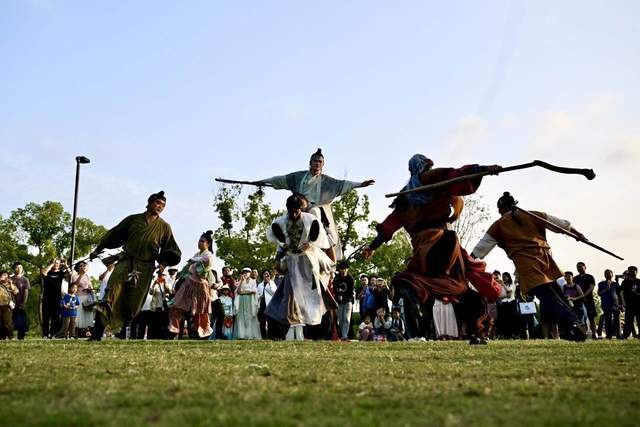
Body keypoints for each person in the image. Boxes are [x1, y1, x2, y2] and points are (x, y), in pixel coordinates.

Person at [364, 155, 502, 343]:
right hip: (440, 242)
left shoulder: (405, 197)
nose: (430, 169)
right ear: (424, 167)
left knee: (421, 285)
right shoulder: (427, 180)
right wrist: (482, 169)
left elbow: (389, 226)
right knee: (458, 287)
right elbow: (455, 174)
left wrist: (373, 246)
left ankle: (472, 332)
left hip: (428, 248)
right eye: (428, 166)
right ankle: (469, 331)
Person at [471, 192, 587, 341]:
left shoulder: (499, 225)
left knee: (548, 297)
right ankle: (570, 328)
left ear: (501, 208)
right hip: (545, 260)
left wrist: (467, 260)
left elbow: (481, 247)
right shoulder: (533, 215)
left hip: (526, 264)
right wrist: (578, 234)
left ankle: (574, 324)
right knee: (557, 294)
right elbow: (561, 224)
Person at [89, 191, 182, 341]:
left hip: (145, 267)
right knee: (111, 292)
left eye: (163, 205)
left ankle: (123, 333)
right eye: (158, 203)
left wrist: (163, 264)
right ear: (150, 203)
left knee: (134, 302)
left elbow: (171, 248)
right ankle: (97, 334)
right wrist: (98, 250)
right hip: (126, 261)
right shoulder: (133, 220)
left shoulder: (164, 227)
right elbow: (114, 234)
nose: (160, 207)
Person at [257, 148, 375, 260]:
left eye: (320, 162)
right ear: (310, 163)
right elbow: (280, 179)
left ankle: (313, 241)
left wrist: (360, 184)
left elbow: (343, 184)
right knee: (284, 218)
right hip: (298, 208)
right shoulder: (298, 177)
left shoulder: (327, 181)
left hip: (317, 208)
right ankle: (281, 249)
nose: (317, 163)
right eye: (315, 161)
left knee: (314, 213)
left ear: (323, 165)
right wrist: (263, 181)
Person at [266, 194, 338, 331]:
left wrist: (310, 243)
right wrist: (280, 252)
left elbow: (320, 237)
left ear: (300, 209)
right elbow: (276, 237)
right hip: (292, 261)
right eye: (291, 211)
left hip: (308, 259)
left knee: (315, 294)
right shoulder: (280, 222)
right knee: (287, 295)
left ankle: (322, 328)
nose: (293, 214)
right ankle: (280, 329)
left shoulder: (311, 220)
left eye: (296, 211)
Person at [168, 231, 215, 339]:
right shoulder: (197, 254)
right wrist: (180, 274)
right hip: (189, 284)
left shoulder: (208, 254)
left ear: (208, 244)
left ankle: (202, 333)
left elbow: (206, 260)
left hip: (200, 286)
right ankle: (173, 330)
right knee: (177, 305)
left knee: (200, 312)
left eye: (202, 241)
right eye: (199, 240)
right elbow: (188, 266)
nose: (199, 243)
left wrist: (194, 259)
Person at [40, 258, 69, 338]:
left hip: (57, 298)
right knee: (45, 316)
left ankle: (53, 333)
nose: (56, 264)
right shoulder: (48, 272)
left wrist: (66, 266)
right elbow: (43, 272)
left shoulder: (61, 273)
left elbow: (70, 274)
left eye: (58, 263)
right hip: (47, 297)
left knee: (55, 317)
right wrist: (52, 264)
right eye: (55, 263)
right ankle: (45, 334)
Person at [234, 267, 261, 339]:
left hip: (250, 301)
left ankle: (250, 335)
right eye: (244, 272)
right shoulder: (241, 281)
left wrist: (244, 292)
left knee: (249, 316)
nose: (245, 273)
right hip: (242, 301)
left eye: (247, 272)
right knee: (242, 317)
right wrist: (241, 282)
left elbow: (254, 291)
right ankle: (242, 335)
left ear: (250, 273)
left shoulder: (253, 281)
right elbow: (238, 291)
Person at [574, 262, 598, 340]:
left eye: (581, 266)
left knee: (591, 318)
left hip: (589, 300)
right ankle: (583, 335)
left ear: (585, 267)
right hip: (578, 301)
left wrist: (583, 295)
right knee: (581, 319)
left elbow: (591, 288)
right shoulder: (575, 278)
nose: (579, 268)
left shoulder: (590, 277)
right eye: (578, 267)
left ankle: (594, 334)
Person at [332, 261, 355, 341]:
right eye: (342, 269)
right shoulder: (336, 278)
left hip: (348, 301)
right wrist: (338, 297)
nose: (343, 270)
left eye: (345, 269)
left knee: (346, 318)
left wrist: (344, 297)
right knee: (340, 319)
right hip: (339, 302)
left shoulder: (350, 279)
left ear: (347, 269)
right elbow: (334, 290)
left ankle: (345, 335)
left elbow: (351, 292)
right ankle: (341, 335)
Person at [72, 261, 95, 336]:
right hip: (78, 297)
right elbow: (75, 285)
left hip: (87, 298)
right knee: (78, 316)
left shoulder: (87, 276)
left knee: (87, 314)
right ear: (78, 268)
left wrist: (90, 289)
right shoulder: (74, 276)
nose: (82, 267)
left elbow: (90, 286)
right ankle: (75, 333)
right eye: (81, 266)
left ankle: (87, 332)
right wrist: (81, 275)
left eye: (84, 266)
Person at [598, 269, 621, 339]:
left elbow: (619, 294)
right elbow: (599, 293)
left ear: (612, 275)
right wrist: (606, 289)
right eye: (606, 273)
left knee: (617, 320)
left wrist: (621, 304)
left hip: (615, 304)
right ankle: (609, 335)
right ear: (604, 275)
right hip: (606, 303)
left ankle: (618, 334)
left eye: (609, 273)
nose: (608, 275)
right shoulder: (601, 284)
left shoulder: (616, 284)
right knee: (608, 320)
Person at [148, 271, 171, 339]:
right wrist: (154, 283)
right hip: (156, 306)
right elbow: (151, 292)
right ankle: (155, 336)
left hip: (164, 306)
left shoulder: (167, 283)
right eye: (159, 275)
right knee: (156, 322)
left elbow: (169, 291)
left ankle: (164, 336)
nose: (161, 276)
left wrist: (164, 283)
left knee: (164, 322)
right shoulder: (155, 284)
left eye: (162, 275)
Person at [11, 262, 30, 340]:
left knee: (22, 321)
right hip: (11, 303)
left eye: (20, 267)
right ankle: (8, 336)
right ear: (14, 269)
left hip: (21, 303)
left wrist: (24, 303)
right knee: (10, 320)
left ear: (22, 269)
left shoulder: (25, 279)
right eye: (17, 267)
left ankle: (21, 337)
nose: (18, 269)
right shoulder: (11, 279)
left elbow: (26, 292)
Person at [620, 266, 640, 339]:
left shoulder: (639, 281)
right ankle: (626, 335)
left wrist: (637, 293)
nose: (631, 272)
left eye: (633, 271)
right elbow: (621, 293)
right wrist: (623, 303)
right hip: (629, 304)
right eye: (630, 271)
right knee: (628, 321)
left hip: (638, 304)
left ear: (636, 272)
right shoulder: (625, 282)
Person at [257, 270, 277, 339]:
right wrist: (260, 296)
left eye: (267, 274)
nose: (266, 275)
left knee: (270, 321)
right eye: (264, 274)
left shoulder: (272, 283)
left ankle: (271, 336)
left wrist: (269, 283)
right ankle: (263, 336)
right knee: (262, 322)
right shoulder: (260, 285)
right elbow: (257, 295)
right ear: (262, 275)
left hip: (270, 304)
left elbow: (274, 293)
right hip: (262, 304)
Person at [0, 270, 19, 339]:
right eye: (3, 275)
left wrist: (11, 284)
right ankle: (2, 337)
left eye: (6, 275)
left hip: (7, 305)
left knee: (7, 322)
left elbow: (16, 291)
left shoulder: (9, 284)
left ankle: (11, 336)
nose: (5, 277)